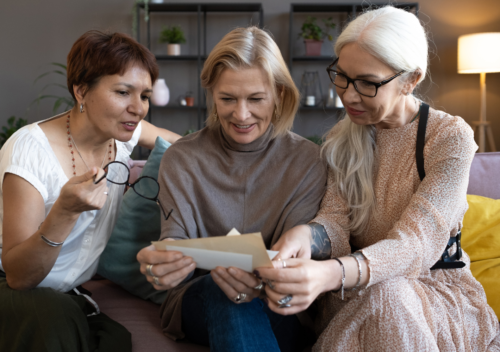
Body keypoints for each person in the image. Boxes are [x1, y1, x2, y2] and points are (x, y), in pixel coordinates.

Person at [257, 6, 500, 351]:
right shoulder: (342, 137)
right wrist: (307, 236)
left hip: (432, 297)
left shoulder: (448, 137)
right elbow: (335, 223)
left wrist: (332, 274)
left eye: (368, 83)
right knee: (384, 295)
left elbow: (416, 244)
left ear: (411, 80)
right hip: (356, 295)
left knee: (390, 295)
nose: (348, 94)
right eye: (341, 76)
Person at [137, 26, 327, 352]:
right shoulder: (181, 158)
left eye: (255, 99)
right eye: (227, 99)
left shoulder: (307, 161)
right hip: (201, 298)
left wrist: (263, 279)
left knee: (236, 293)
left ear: (280, 95)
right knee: (220, 287)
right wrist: (163, 262)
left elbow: (299, 251)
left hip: (279, 303)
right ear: (212, 93)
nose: (241, 114)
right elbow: (175, 238)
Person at [0, 30, 180, 352]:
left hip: (66, 295)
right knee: (51, 319)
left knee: (116, 341)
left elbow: (184, 146)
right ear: (81, 90)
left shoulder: (122, 134)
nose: (138, 108)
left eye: (145, 95)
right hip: (13, 288)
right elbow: (18, 276)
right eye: (124, 92)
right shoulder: (30, 149)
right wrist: (64, 213)